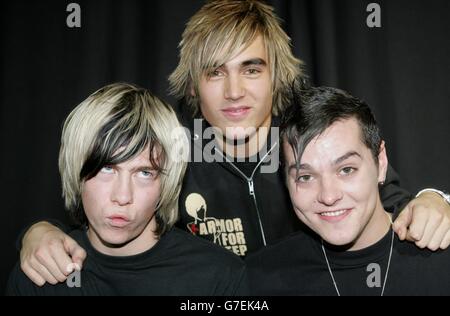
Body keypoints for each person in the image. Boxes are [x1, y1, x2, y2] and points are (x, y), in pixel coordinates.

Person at [19, 0, 450, 286]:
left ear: (277, 76)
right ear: (193, 85)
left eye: (251, 69)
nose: (234, 92)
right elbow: (108, 210)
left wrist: (437, 199)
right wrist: (38, 232)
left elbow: (396, 201)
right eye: (215, 73)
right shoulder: (169, 153)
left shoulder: (309, 143)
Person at [7, 83, 245, 295]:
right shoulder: (41, 273)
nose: (122, 197)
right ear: (76, 172)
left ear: (167, 183)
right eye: (106, 169)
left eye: (144, 173)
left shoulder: (220, 277)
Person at [247, 86, 450, 295]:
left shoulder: (440, 253)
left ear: (381, 163)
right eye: (305, 177)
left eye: (346, 170)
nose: (328, 196)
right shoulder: (258, 278)